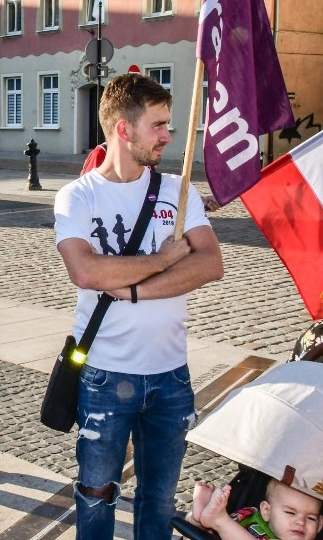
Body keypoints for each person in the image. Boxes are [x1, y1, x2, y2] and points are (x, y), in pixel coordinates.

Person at [54, 72, 224, 540]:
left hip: (172, 376)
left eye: (169, 123)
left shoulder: (178, 189)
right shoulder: (79, 195)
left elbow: (211, 264)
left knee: (159, 499)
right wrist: (164, 260)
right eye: (159, 125)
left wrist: (133, 288)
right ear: (123, 130)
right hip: (105, 375)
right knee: (95, 494)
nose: (169, 135)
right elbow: (86, 272)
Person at [81, 141, 222, 212]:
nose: (166, 137)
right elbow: (89, 200)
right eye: (155, 126)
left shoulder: (145, 157)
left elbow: (154, 195)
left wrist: (198, 202)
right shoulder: (101, 154)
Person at [189, 479, 322, 540]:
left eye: (311, 518)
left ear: (320, 524)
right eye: (291, 512)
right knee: (208, 529)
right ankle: (201, 518)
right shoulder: (251, 515)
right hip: (224, 532)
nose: (301, 522)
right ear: (266, 511)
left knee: (215, 525)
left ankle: (213, 520)